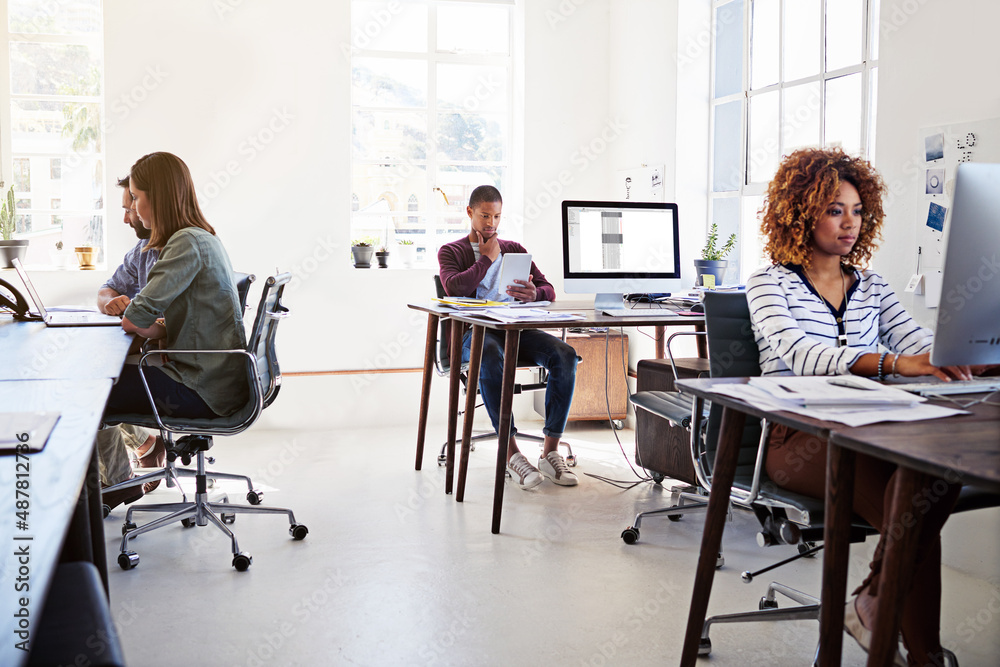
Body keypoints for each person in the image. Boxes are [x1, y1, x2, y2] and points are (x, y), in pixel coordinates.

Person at [747, 147, 978, 667]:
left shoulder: (871, 285)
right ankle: (922, 652)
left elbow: (916, 339)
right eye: (833, 210)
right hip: (796, 436)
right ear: (800, 212)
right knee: (915, 507)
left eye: (856, 210)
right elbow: (801, 355)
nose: (849, 223)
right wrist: (893, 363)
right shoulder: (769, 283)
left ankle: (876, 607)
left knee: (924, 483)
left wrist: (960, 354)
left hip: (871, 428)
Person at [438, 185, 579, 489]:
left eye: (497, 216)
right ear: (470, 213)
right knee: (488, 354)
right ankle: (511, 453)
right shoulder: (451, 251)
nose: (491, 223)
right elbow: (454, 288)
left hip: (516, 330)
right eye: (485, 215)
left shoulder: (514, 249)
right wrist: (486, 259)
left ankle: (550, 452)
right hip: (474, 335)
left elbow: (548, 289)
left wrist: (534, 293)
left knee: (564, 355)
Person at [104, 152, 248, 442]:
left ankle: (117, 485)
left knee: (88, 389)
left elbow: (133, 320)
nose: (132, 207)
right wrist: (155, 327)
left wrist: (138, 318)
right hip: (211, 381)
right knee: (100, 382)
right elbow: (164, 323)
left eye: (134, 197)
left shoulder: (185, 242)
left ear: (156, 198)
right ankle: (119, 482)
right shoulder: (199, 236)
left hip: (200, 389)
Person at [96, 175, 165, 502]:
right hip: (147, 354)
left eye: (132, 204)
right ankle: (143, 447)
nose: (126, 217)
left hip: (166, 367)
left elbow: (154, 323)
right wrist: (110, 300)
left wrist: (131, 321)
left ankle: (117, 480)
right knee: (99, 376)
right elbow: (107, 287)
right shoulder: (142, 250)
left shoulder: (179, 251)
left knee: (93, 391)